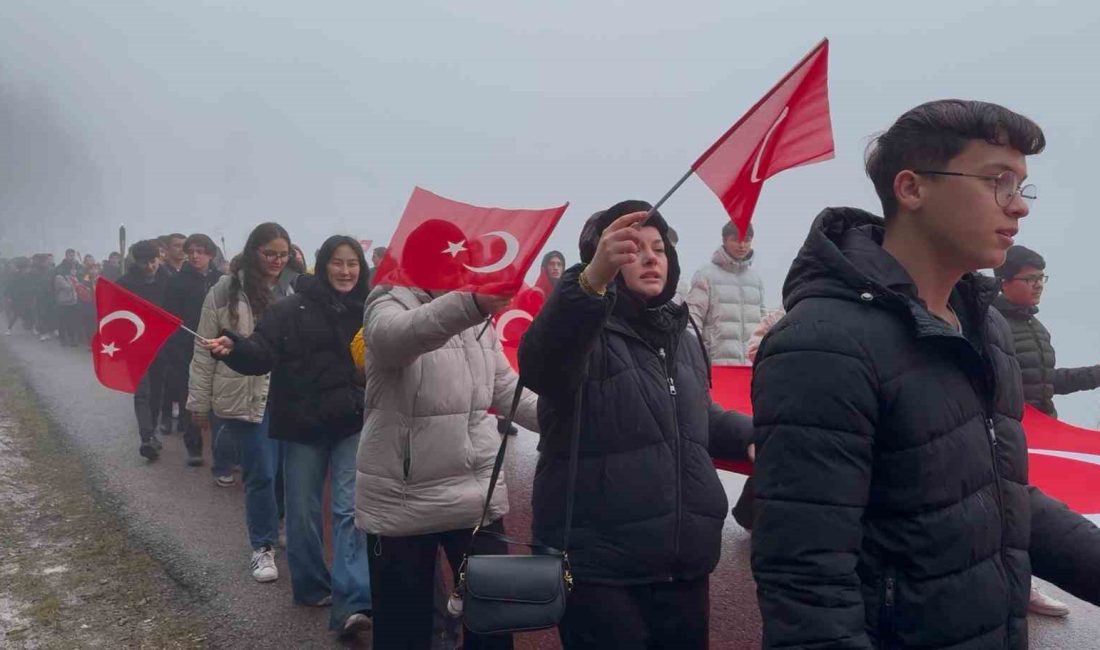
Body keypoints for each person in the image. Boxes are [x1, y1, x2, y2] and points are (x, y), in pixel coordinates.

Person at [750, 99, 1100, 649]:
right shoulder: (822, 344)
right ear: (911, 189)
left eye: (1022, 186)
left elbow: (1001, 497)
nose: (1019, 207)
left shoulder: (986, 331)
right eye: (997, 181)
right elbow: (807, 580)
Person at [517, 201, 754, 649]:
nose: (650, 258)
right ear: (603, 259)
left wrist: (751, 436)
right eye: (632, 248)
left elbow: (697, 415)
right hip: (599, 568)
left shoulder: (682, 337)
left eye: (659, 248)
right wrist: (589, 283)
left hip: (684, 563)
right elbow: (540, 367)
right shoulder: (580, 332)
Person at [359, 234, 538, 650]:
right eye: (448, 260)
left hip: (474, 495)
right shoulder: (387, 302)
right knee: (404, 630)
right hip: (401, 498)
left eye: (463, 261)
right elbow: (396, 338)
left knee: (493, 623)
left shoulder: (477, 317)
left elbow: (506, 389)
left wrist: (567, 417)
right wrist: (472, 304)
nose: (460, 269)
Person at [202, 235, 372, 638]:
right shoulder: (289, 308)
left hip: (352, 421)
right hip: (302, 425)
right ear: (321, 265)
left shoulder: (371, 308)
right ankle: (312, 587)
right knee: (301, 511)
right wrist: (236, 347)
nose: (345, 271)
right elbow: (261, 351)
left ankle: (352, 602)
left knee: (349, 512)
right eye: (337, 263)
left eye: (353, 264)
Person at [994, 245, 1100, 419]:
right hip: (1010, 431)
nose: (1039, 285)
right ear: (1004, 283)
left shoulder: (1038, 327)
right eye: (1030, 279)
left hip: (1044, 427)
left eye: (1041, 278)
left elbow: (1046, 382)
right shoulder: (988, 324)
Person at [163, 234, 224, 466]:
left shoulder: (222, 280)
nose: (195, 256)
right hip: (186, 347)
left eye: (201, 251)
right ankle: (193, 447)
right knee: (189, 398)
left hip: (218, 346)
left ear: (210, 253)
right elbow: (171, 318)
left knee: (219, 400)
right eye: (192, 251)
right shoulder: (177, 282)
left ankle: (222, 452)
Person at [685, 221, 766, 365]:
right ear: (724, 240)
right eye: (735, 240)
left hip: (751, 367)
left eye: (746, 240)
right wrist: (697, 361)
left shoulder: (756, 280)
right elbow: (692, 320)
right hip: (715, 366)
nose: (742, 245)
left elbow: (763, 324)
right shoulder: (706, 275)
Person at [117, 240, 169, 461]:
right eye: (143, 262)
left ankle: (153, 429)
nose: (149, 266)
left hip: (161, 344)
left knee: (157, 391)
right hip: (135, 344)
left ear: (159, 258)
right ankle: (146, 437)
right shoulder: (124, 283)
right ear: (135, 262)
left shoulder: (169, 281)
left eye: (152, 261)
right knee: (142, 392)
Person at [52, 260, 81, 347]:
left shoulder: (73, 277)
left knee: (71, 322)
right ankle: (63, 339)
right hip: (63, 303)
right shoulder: (59, 277)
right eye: (72, 269)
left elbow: (78, 286)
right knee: (62, 322)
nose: (74, 270)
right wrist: (74, 280)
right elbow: (67, 287)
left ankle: (72, 339)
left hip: (73, 302)